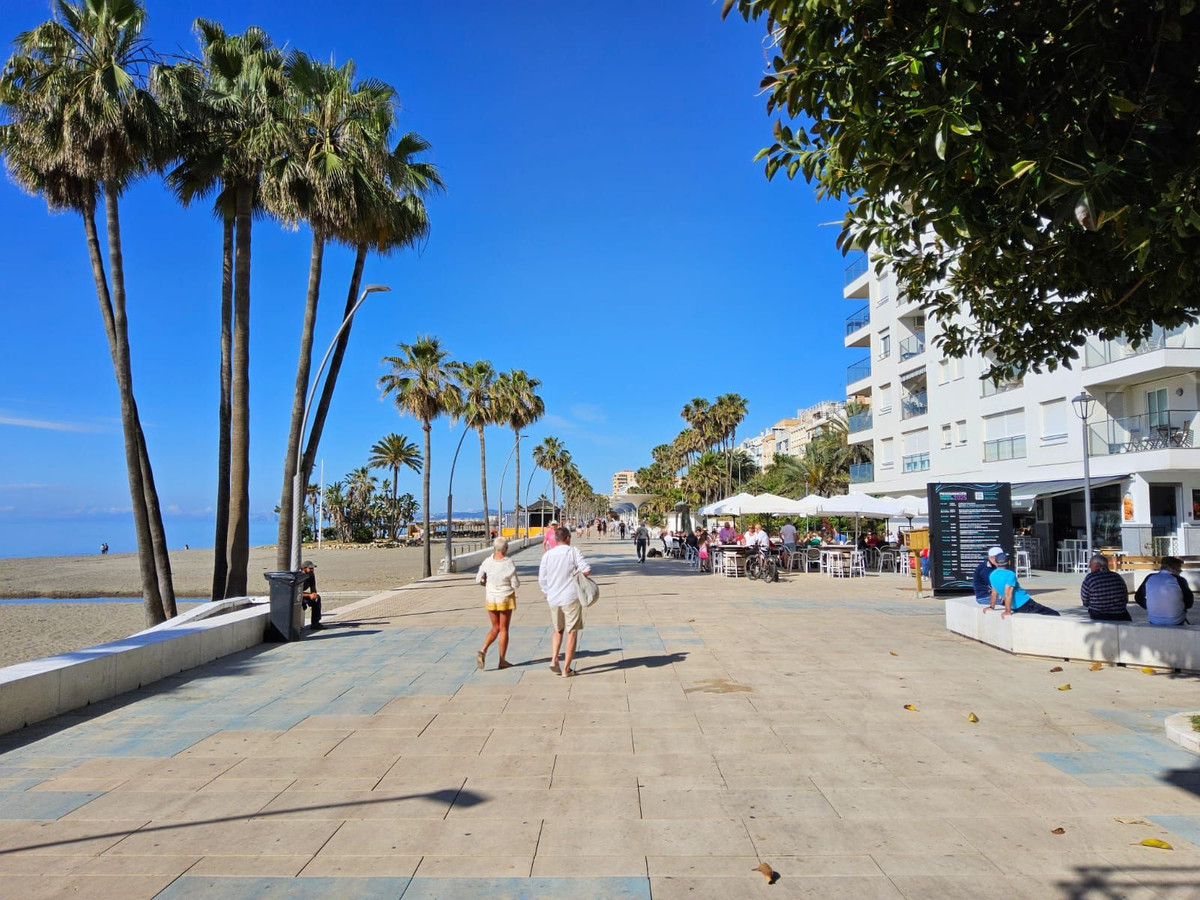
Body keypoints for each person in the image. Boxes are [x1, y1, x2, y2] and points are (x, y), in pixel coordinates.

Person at [538, 525, 590, 676]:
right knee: (571, 631)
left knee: (557, 630)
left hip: (553, 598)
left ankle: (554, 659)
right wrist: (576, 576)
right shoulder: (573, 551)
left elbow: (542, 579)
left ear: (555, 539)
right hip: (570, 597)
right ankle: (566, 669)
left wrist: (547, 592)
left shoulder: (547, 555)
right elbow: (586, 570)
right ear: (567, 538)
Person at [475, 536, 520, 669]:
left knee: (495, 627)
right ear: (506, 549)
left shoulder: (487, 562)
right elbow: (515, 584)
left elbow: (478, 579)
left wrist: (487, 582)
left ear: (494, 548)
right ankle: (502, 660)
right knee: (504, 629)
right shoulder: (508, 563)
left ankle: (483, 649)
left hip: (491, 598)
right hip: (505, 598)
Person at [986, 552, 1060, 617]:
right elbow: (1008, 593)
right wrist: (1007, 611)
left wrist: (992, 607)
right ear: (1009, 562)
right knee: (1054, 614)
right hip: (1025, 603)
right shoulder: (1010, 574)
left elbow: (994, 592)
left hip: (1014, 607)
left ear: (996, 563)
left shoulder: (992, 575)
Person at [1135, 556, 1194, 626]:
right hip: (1176, 620)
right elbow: (1189, 603)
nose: (1180, 570)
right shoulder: (1179, 580)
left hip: (1154, 620)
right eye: (1179, 567)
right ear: (1172, 568)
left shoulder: (1149, 577)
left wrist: (1151, 607)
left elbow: (1138, 597)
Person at [1080, 554, 1132, 622]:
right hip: (1120, 615)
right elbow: (1125, 599)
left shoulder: (1090, 578)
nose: (1089, 566)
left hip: (1099, 615)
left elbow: (1085, 599)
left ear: (1098, 565)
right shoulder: (1117, 577)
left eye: (1091, 564)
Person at [299, 560, 323, 629]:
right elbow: (297, 592)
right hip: (297, 595)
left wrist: (314, 595)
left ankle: (315, 623)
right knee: (302, 605)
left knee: (317, 599)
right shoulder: (299, 577)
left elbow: (313, 588)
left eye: (313, 568)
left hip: (303, 595)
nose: (312, 570)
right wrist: (309, 595)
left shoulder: (311, 575)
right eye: (310, 568)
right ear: (304, 569)